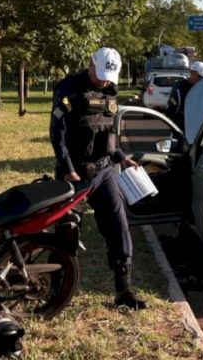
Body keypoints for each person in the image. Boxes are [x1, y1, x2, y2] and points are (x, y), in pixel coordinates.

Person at [49, 47, 148, 310]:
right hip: (75, 173)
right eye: (101, 74)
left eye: (109, 77)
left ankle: (124, 291)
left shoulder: (109, 90)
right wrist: (67, 166)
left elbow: (107, 131)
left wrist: (120, 157)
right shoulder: (68, 89)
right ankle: (57, 288)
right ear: (91, 64)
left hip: (104, 172)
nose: (104, 81)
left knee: (119, 226)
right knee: (67, 232)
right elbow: (57, 132)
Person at [166, 61, 203, 128]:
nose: (202, 79)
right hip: (181, 129)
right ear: (192, 73)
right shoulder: (179, 89)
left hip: (199, 129)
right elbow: (170, 111)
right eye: (200, 76)